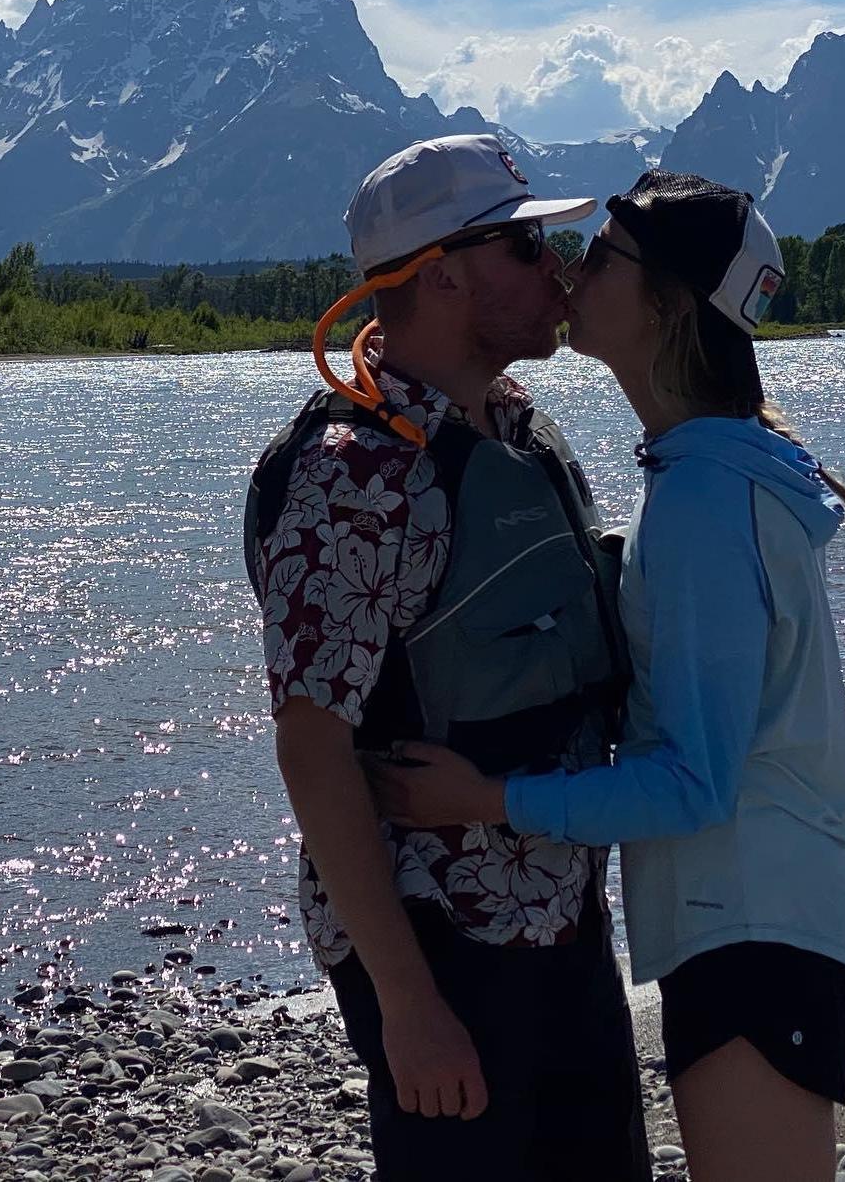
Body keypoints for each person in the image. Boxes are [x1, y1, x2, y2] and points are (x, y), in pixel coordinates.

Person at [363, 169, 845, 1182]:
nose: (567, 270)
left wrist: (490, 797)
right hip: (759, 912)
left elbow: (692, 780)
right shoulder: (717, 471)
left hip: (748, 928)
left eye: (600, 254)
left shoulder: (703, 501)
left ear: (669, 304)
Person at [242, 134, 651, 1182]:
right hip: (442, 941)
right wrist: (408, 1006)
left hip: (557, 909)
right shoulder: (349, 478)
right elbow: (311, 743)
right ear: (440, 274)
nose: (553, 268)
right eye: (522, 245)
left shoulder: (516, 429)